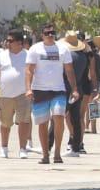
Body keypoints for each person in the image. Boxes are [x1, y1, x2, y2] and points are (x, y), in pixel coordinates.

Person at [25, 24, 79, 165]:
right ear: (42, 35)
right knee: (42, 123)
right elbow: (29, 70)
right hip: (39, 90)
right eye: (47, 33)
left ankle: (57, 152)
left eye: (52, 33)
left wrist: (74, 89)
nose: (50, 35)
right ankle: (45, 154)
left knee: (59, 117)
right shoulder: (35, 49)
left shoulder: (63, 49)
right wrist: (28, 88)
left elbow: (69, 70)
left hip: (58, 89)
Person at [0, 30, 31, 159]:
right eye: (7, 40)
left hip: (23, 94)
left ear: (19, 43)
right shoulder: (2, 55)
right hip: (5, 95)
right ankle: (4, 147)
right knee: (5, 123)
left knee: (24, 122)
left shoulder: (28, 55)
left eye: (10, 40)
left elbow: (34, 72)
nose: (7, 42)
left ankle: (23, 149)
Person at [60, 31, 93, 157]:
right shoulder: (88, 55)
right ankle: (78, 143)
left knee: (69, 116)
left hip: (73, 87)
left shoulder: (70, 56)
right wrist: (95, 88)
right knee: (79, 116)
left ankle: (74, 140)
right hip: (85, 86)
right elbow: (92, 74)